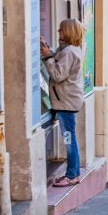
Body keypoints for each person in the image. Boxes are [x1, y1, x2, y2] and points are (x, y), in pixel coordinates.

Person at [40, 19, 84, 187]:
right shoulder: (69, 49)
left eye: (61, 30)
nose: (59, 32)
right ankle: (74, 173)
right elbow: (57, 62)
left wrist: (47, 57)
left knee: (69, 140)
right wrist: (48, 51)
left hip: (66, 103)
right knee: (70, 139)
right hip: (67, 101)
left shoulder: (69, 52)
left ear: (69, 32)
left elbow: (58, 75)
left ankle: (72, 175)